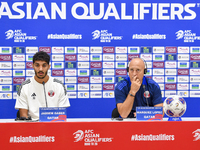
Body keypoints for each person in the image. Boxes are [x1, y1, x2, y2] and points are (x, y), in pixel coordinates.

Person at [15, 51, 70, 120]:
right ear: (33, 66)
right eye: (37, 65)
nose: (40, 69)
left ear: (48, 67)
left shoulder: (59, 86)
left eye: (44, 65)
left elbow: (62, 116)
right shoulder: (24, 86)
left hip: (54, 126)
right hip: (32, 127)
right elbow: (24, 117)